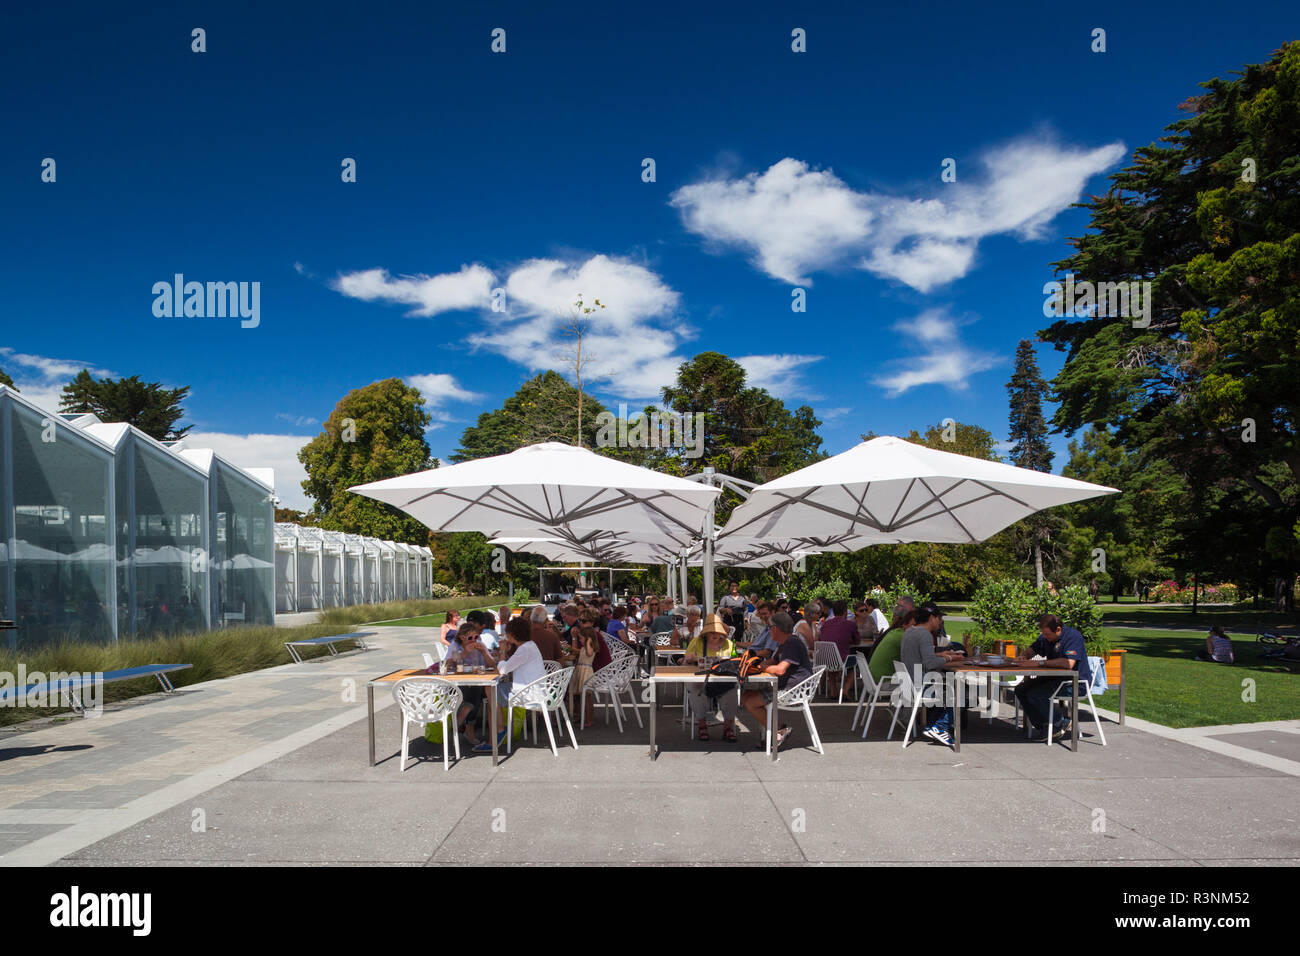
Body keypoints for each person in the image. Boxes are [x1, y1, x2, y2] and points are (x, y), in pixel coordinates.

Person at [1014, 614, 1093, 742]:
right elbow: (1034, 648)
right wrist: (1024, 656)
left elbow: (1069, 663)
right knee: (1021, 690)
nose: (1045, 637)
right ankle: (1046, 726)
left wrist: (1040, 663)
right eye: (1043, 634)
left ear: (1058, 629)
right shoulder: (1046, 637)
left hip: (1074, 683)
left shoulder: (1073, 637)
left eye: (1047, 634)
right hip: (1055, 679)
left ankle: (1059, 722)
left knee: (1035, 694)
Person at [741, 612, 813, 751]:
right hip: (786, 686)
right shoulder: (784, 643)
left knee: (750, 702)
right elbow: (772, 661)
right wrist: (757, 665)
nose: (768, 631)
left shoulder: (792, 643)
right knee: (745, 696)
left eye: (769, 628)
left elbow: (780, 669)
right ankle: (779, 728)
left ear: (775, 629)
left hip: (793, 690)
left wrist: (763, 667)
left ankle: (777, 732)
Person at [475, 615, 546, 753]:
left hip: (528, 694)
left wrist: (502, 651)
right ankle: (497, 733)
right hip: (535, 689)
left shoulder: (524, 649)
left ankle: (498, 732)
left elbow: (503, 670)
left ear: (512, 634)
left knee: (490, 689)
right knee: (492, 694)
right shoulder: (530, 646)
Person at [899, 604, 965, 747]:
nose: (940, 621)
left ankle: (934, 726)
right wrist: (950, 658)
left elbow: (920, 655)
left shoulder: (910, 631)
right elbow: (930, 663)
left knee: (947, 684)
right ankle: (939, 727)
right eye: (939, 617)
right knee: (954, 690)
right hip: (922, 686)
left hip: (909, 684)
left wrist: (940, 654)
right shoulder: (925, 634)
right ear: (931, 618)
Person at [683, 614, 739, 742]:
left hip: (723, 679)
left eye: (717, 632)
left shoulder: (728, 644)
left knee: (732, 690)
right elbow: (685, 662)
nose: (715, 634)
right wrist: (690, 659)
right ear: (706, 633)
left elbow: (735, 661)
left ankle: (728, 727)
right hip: (701, 680)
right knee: (694, 689)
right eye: (711, 632)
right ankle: (702, 725)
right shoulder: (697, 642)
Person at [818, 599, 859, 696]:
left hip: (826, 659)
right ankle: (845, 689)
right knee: (856, 665)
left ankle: (833, 690)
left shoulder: (825, 624)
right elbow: (857, 641)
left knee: (833, 660)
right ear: (845, 612)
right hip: (841, 660)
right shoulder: (850, 624)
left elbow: (821, 638)